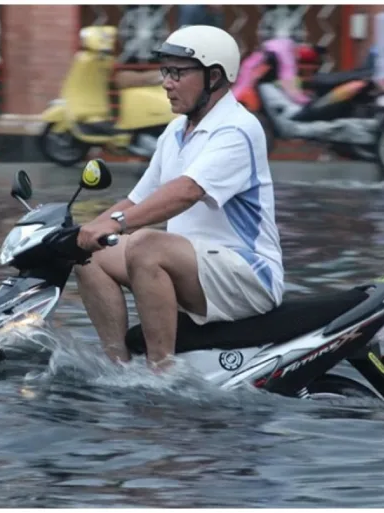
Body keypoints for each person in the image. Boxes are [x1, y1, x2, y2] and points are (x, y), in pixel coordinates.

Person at [75, 25, 284, 370]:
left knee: (145, 244)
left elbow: (187, 192)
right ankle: (118, 369)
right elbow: (138, 199)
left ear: (214, 76)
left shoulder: (237, 128)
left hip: (247, 274)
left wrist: (118, 224)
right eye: (165, 71)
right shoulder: (175, 131)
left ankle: (162, 373)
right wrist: (84, 231)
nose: (166, 82)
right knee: (88, 255)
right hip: (193, 265)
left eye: (178, 72)